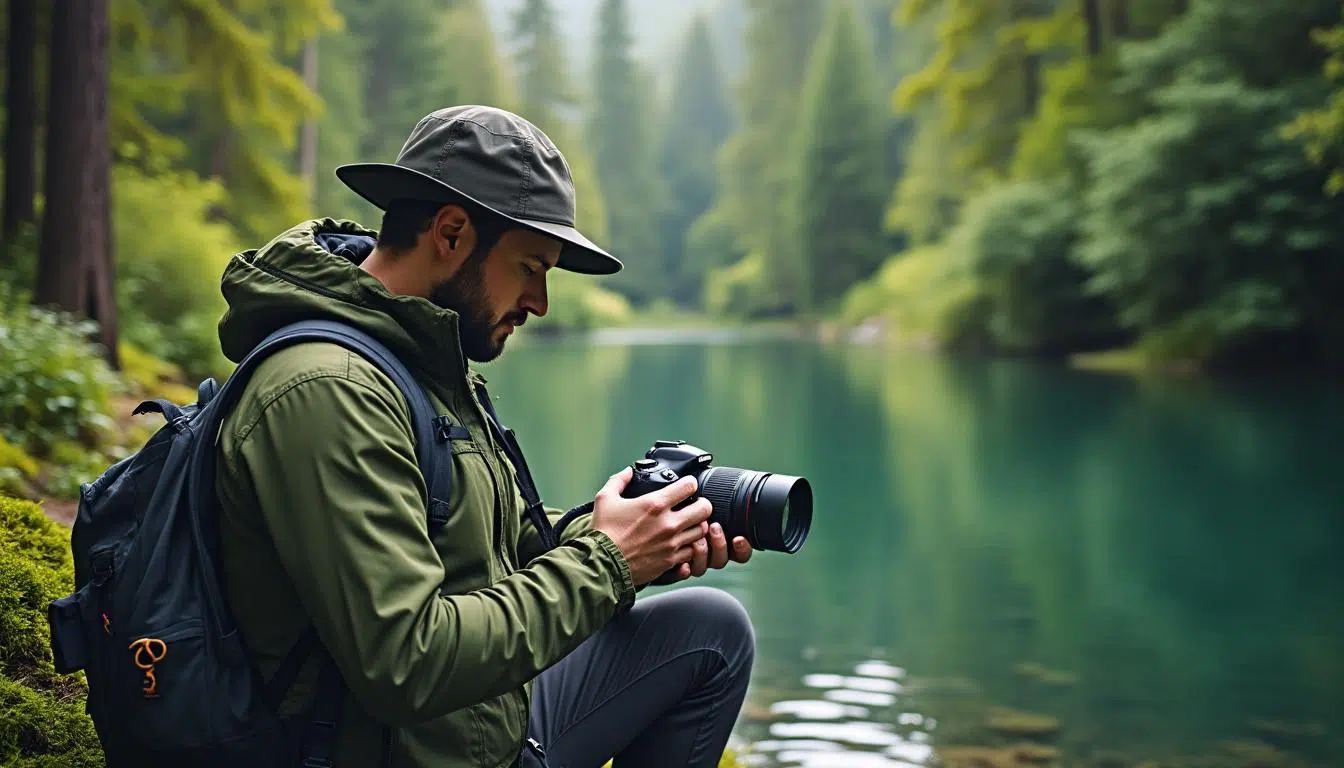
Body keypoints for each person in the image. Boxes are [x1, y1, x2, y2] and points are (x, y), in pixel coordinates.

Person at [211, 104, 756, 768]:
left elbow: (505, 549)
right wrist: (608, 564)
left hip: (476, 726)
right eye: (531, 267)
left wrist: (636, 537)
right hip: (391, 748)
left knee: (713, 633)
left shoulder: (421, 360)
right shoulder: (328, 390)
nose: (541, 302)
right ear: (450, 232)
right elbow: (406, 660)